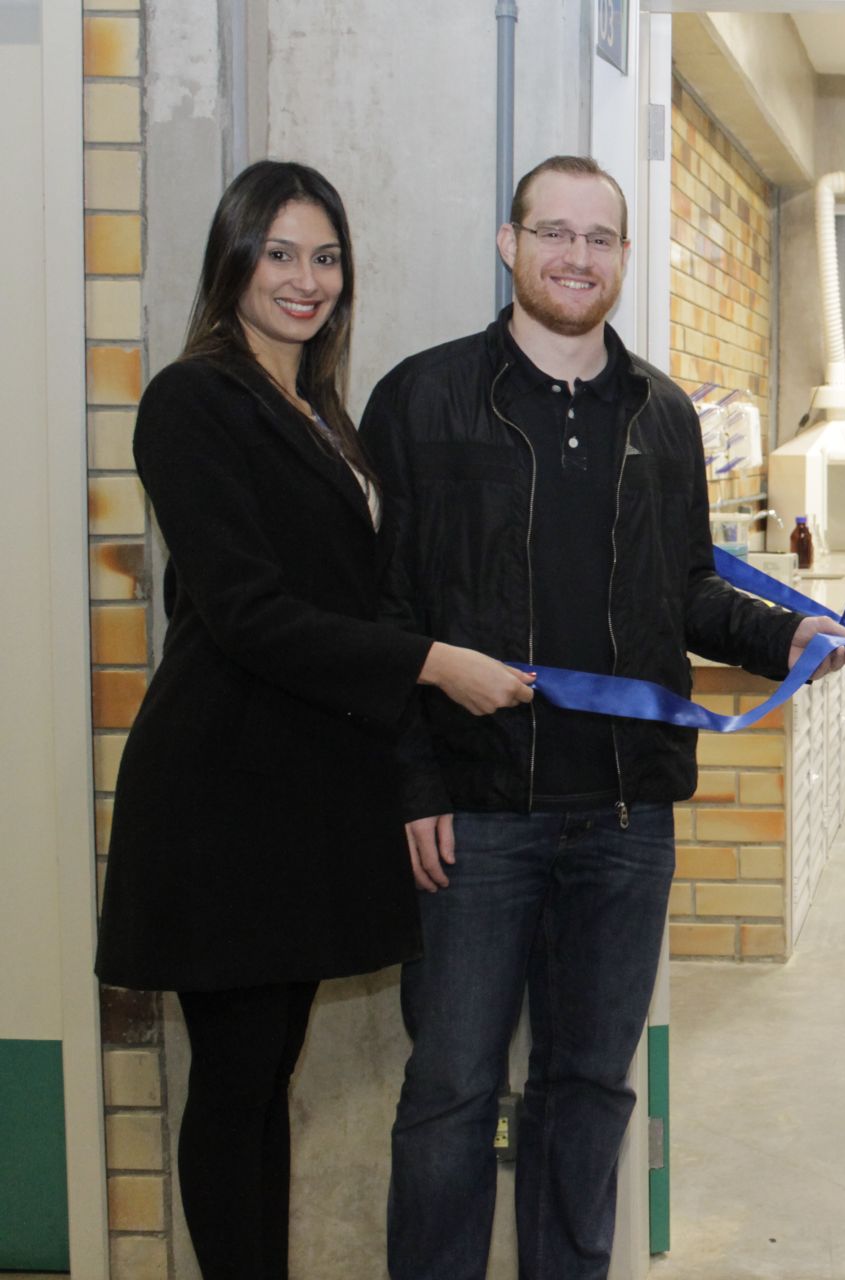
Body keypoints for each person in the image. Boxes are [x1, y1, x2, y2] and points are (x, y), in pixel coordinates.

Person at [365, 154, 845, 1280]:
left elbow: (681, 587)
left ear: (625, 259)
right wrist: (415, 786)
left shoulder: (665, 415)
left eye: (600, 239)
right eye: (554, 233)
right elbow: (385, 615)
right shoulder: (424, 398)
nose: (576, 257)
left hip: (628, 816)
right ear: (510, 244)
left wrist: (784, 636)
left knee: (589, 1088)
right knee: (449, 1090)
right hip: (478, 817)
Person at [92, 161, 534, 1280]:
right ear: (231, 262)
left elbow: (353, 591)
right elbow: (245, 612)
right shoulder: (193, 400)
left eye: (325, 256)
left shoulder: (324, 411)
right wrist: (434, 664)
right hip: (220, 791)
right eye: (278, 253)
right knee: (237, 1085)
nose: (305, 279)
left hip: (301, 791)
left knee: (263, 1073)